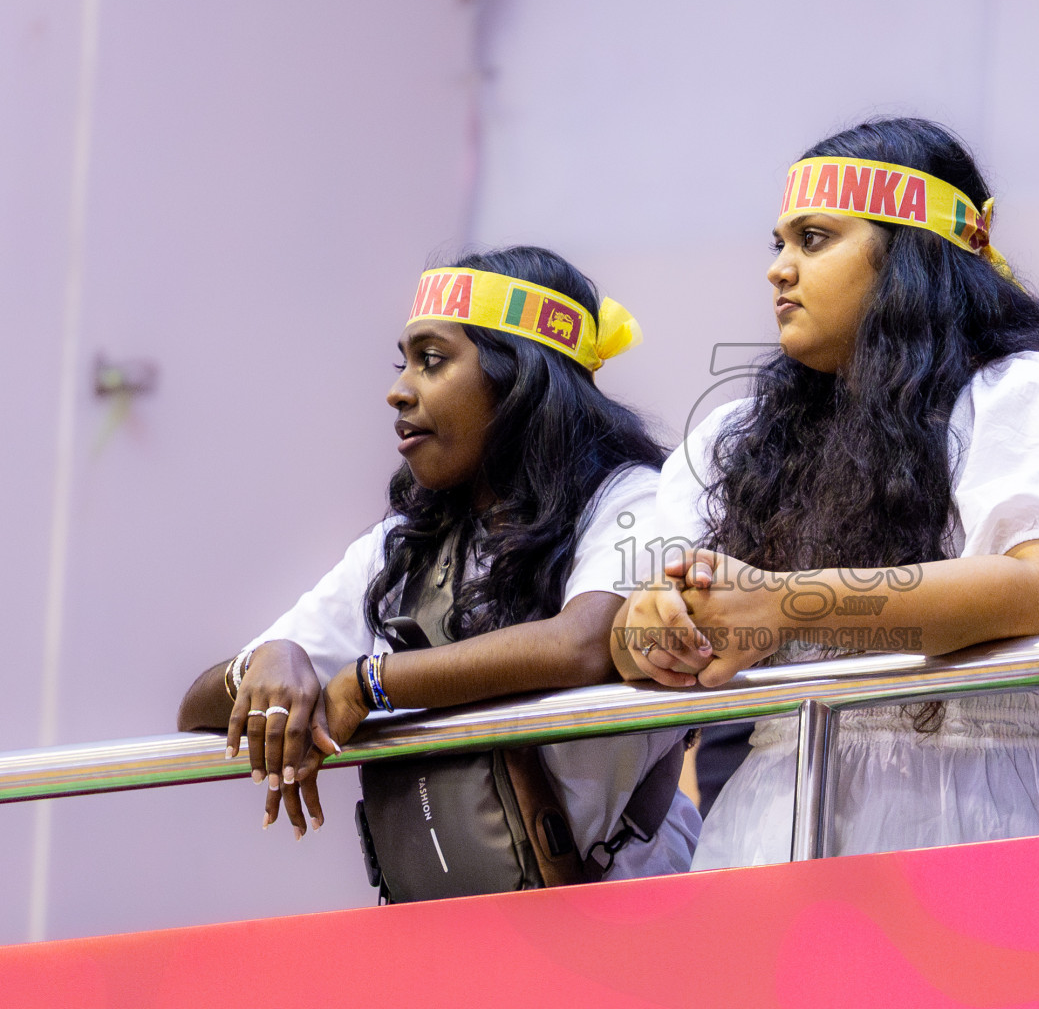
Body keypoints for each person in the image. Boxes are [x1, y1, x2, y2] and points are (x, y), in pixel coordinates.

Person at [612, 117, 1039, 868]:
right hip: (773, 837)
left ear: (911, 255)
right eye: (778, 244)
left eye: (813, 239)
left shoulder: (1033, 393)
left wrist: (785, 604)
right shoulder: (740, 439)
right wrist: (652, 629)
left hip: (1007, 831)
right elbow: (633, 638)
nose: (779, 269)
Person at [178, 245, 700, 886]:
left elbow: (584, 642)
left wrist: (371, 683)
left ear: (522, 378)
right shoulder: (401, 545)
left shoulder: (633, 498)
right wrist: (265, 661)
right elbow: (195, 709)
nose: (398, 391)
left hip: (626, 927)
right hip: (438, 946)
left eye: (432, 361)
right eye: (404, 364)